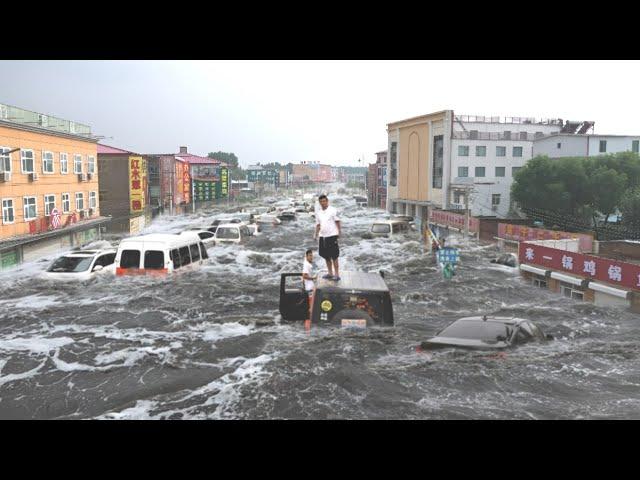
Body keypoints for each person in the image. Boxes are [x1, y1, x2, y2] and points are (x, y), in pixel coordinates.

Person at [314, 194, 341, 281]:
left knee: (334, 256)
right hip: (323, 237)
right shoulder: (318, 213)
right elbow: (318, 224)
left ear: (327, 201)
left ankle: (336, 274)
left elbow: (337, 221)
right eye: (321, 201)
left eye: (324, 201)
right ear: (319, 202)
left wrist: (339, 232)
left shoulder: (332, 210)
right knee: (326, 255)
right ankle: (330, 273)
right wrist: (315, 234)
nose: (323, 203)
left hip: (332, 235)